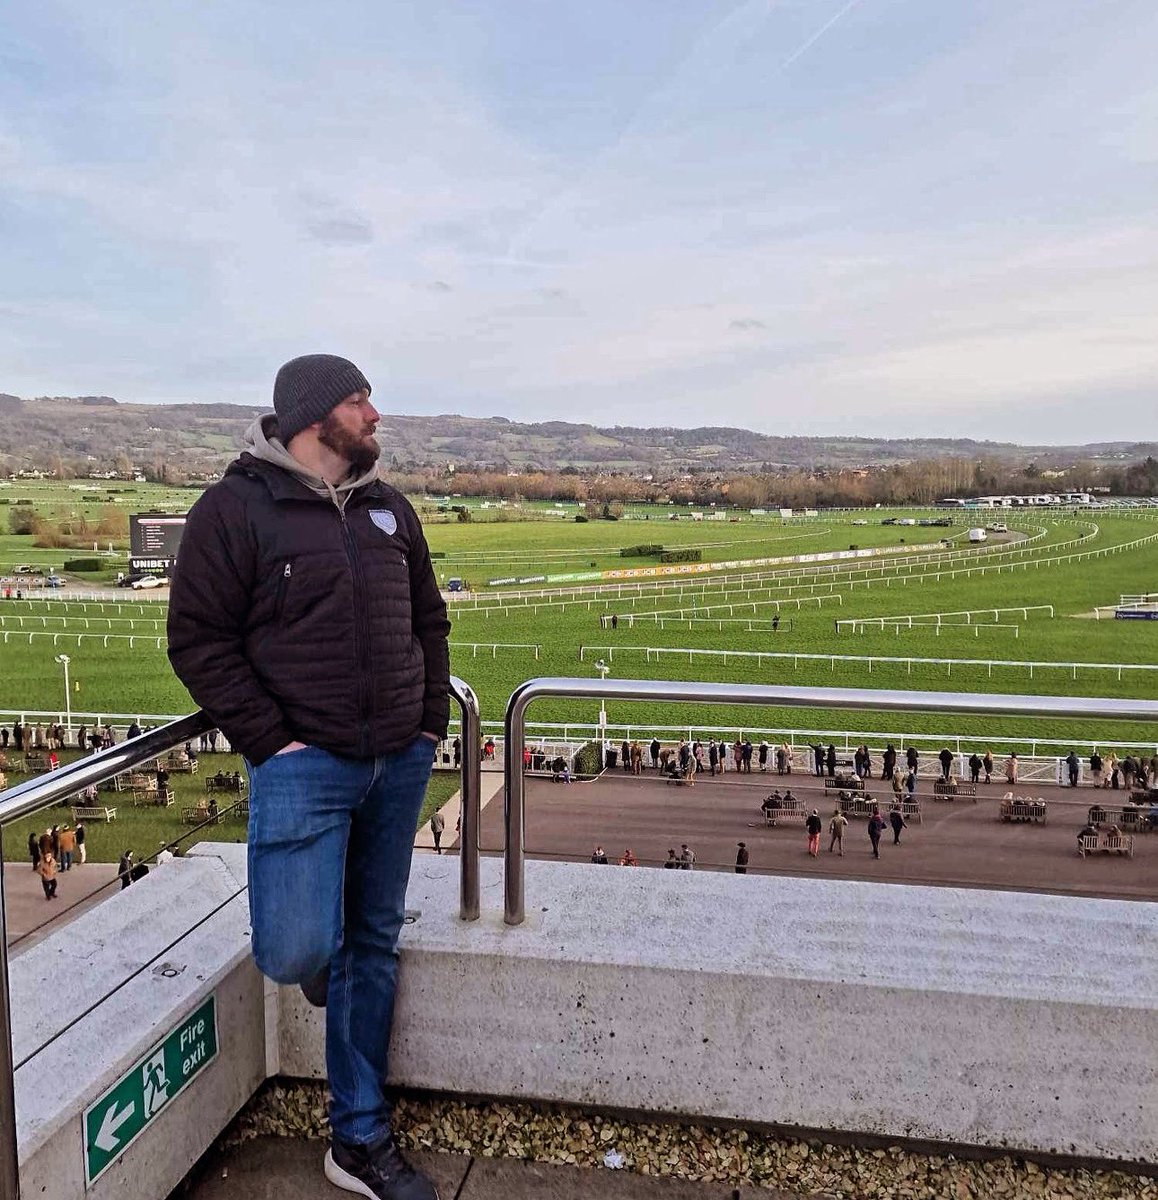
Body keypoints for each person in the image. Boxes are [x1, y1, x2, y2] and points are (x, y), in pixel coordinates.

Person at [166, 353, 451, 1200]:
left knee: (373, 943)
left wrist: (430, 723)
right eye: (360, 400)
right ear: (312, 417)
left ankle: (359, 1139)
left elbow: (430, 619)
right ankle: (333, 957)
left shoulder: (389, 509)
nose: (376, 414)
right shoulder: (233, 511)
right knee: (295, 949)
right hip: (302, 767)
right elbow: (198, 640)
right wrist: (270, 742)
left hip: (397, 762)